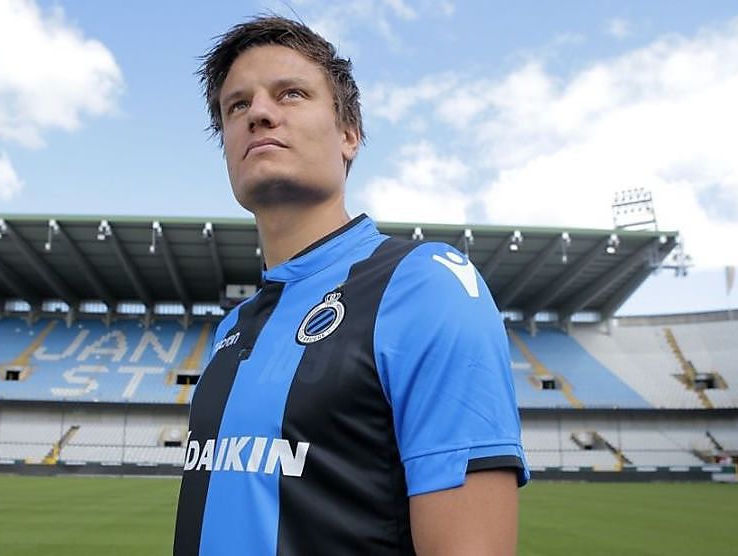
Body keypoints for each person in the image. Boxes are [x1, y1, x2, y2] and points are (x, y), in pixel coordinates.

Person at [174, 15, 527, 555]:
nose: (258, 113)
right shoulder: (232, 328)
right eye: (236, 106)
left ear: (349, 135)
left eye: (290, 94)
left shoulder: (425, 286)